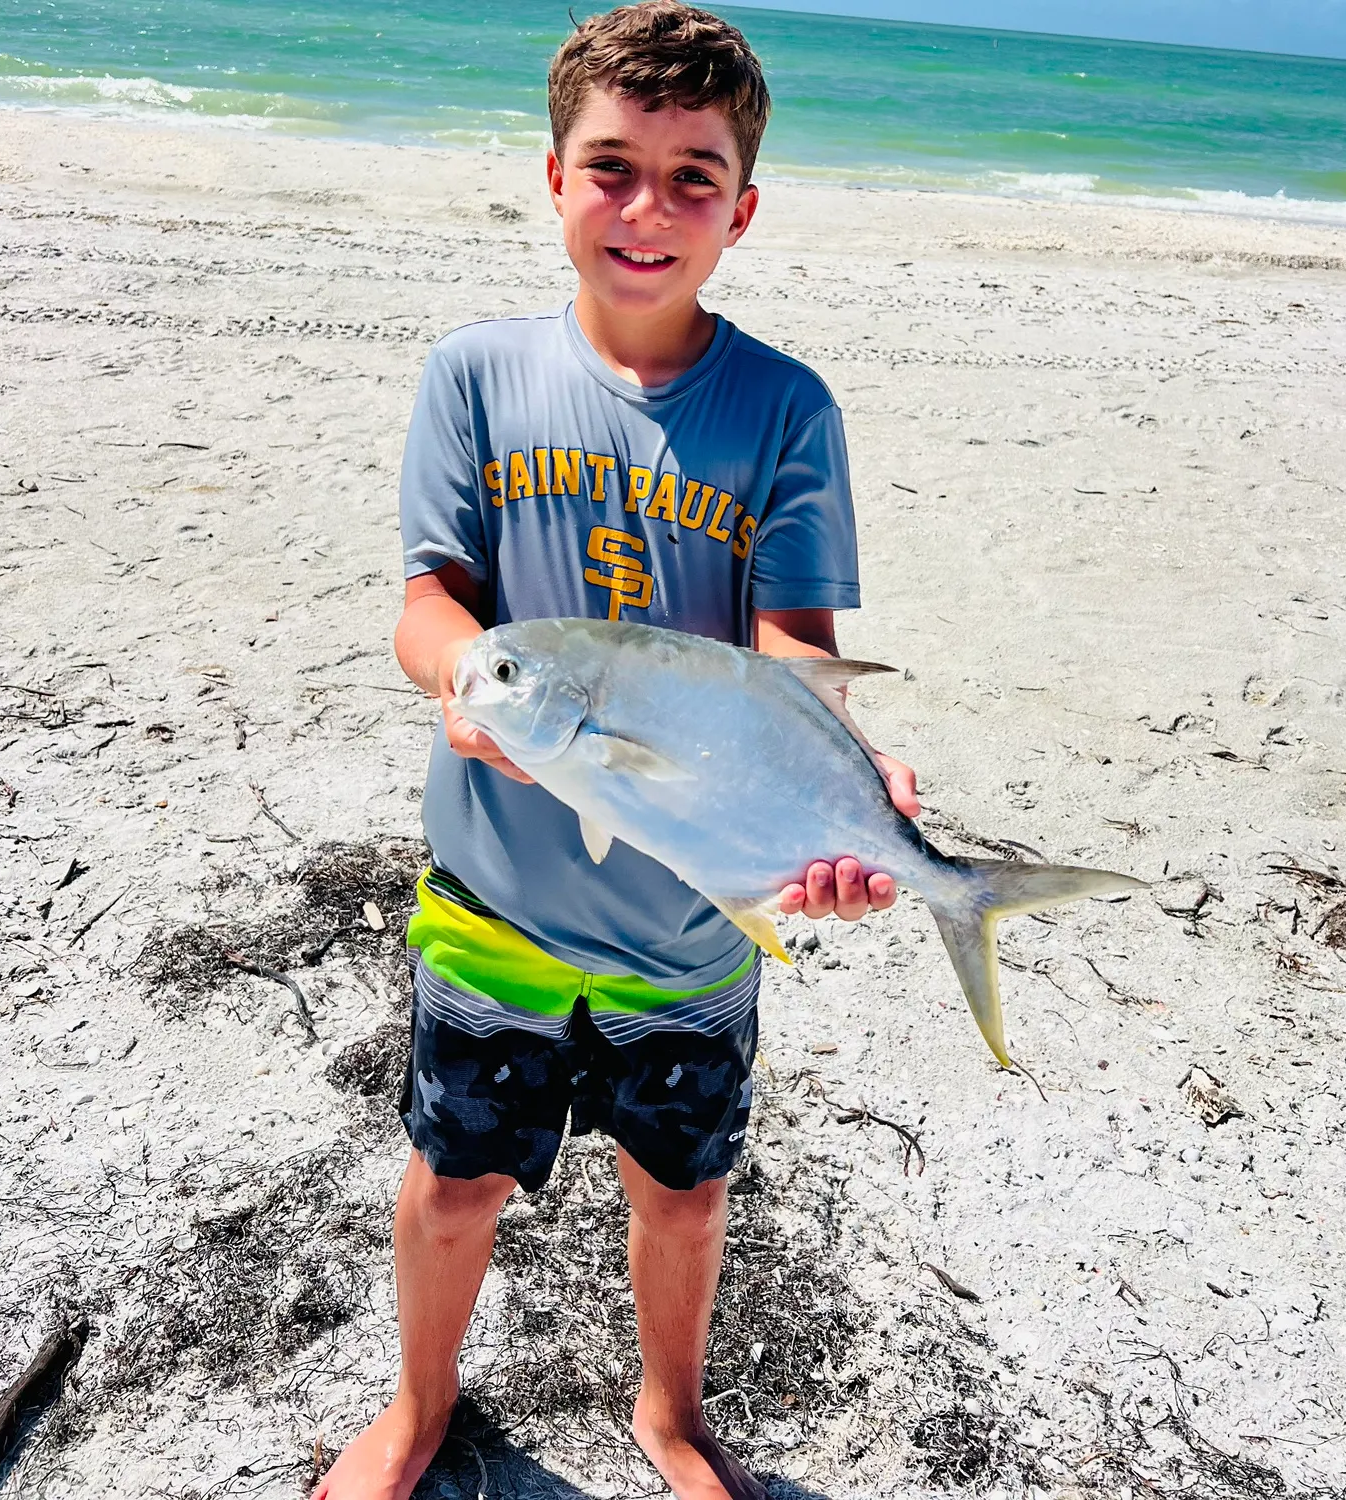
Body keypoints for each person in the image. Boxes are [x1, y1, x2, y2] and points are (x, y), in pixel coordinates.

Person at [313, 5, 918, 1497]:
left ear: (744, 207)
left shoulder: (788, 409)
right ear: (554, 177)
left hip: (690, 917)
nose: (649, 210)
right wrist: (468, 681)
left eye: (694, 177)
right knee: (452, 1186)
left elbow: (793, 644)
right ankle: (421, 1409)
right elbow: (425, 605)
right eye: (613, 168)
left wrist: (856, 782)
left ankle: (668, 1416)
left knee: (687, 1195)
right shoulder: (473, 375)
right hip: (496, 898)